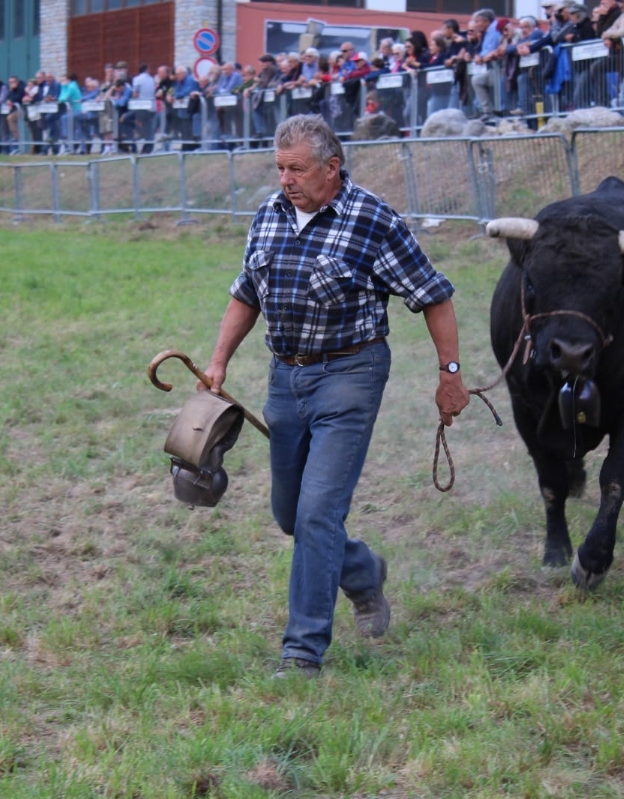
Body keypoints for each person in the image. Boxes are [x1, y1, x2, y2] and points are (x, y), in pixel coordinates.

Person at [198, 115, 472, 679]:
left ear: (331, 167)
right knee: (290, 514)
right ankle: (364, 571)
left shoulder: (372, 220)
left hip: (351, 375)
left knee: (319, 512)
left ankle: (302, 652)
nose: (286, 180)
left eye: (297, 169)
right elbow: (246, 293)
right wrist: (220, 360)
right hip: (286, 377)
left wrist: (450, 373)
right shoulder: (268, 216)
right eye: (279, 168)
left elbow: (434, 296)